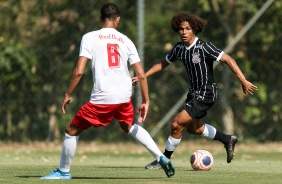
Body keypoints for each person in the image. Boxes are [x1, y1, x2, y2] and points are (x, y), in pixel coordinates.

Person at [40, 3, 175, 179]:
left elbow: (79, 71)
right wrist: (146, 101)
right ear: (117, 19)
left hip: (103, 97)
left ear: (100, 18)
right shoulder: (126, 40)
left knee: (71, 130)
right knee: (127, 125)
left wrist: (68, 94)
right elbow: (141, 75)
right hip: (124, 95)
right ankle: (161, 156)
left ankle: (63, 171)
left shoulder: (89, 37)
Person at [132, 11, 258, 169]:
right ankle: (228, 139)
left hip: (206, 93)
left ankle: (163, 160)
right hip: (193, 94)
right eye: (181, 29)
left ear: (195, 30)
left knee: (176, 124)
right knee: (195, 128)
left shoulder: (204, 47)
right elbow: (162, 63)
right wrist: (143, 76)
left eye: (188, 28)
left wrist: (243, 80)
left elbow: (227, 58)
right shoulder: (179, 49)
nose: (184, 32)